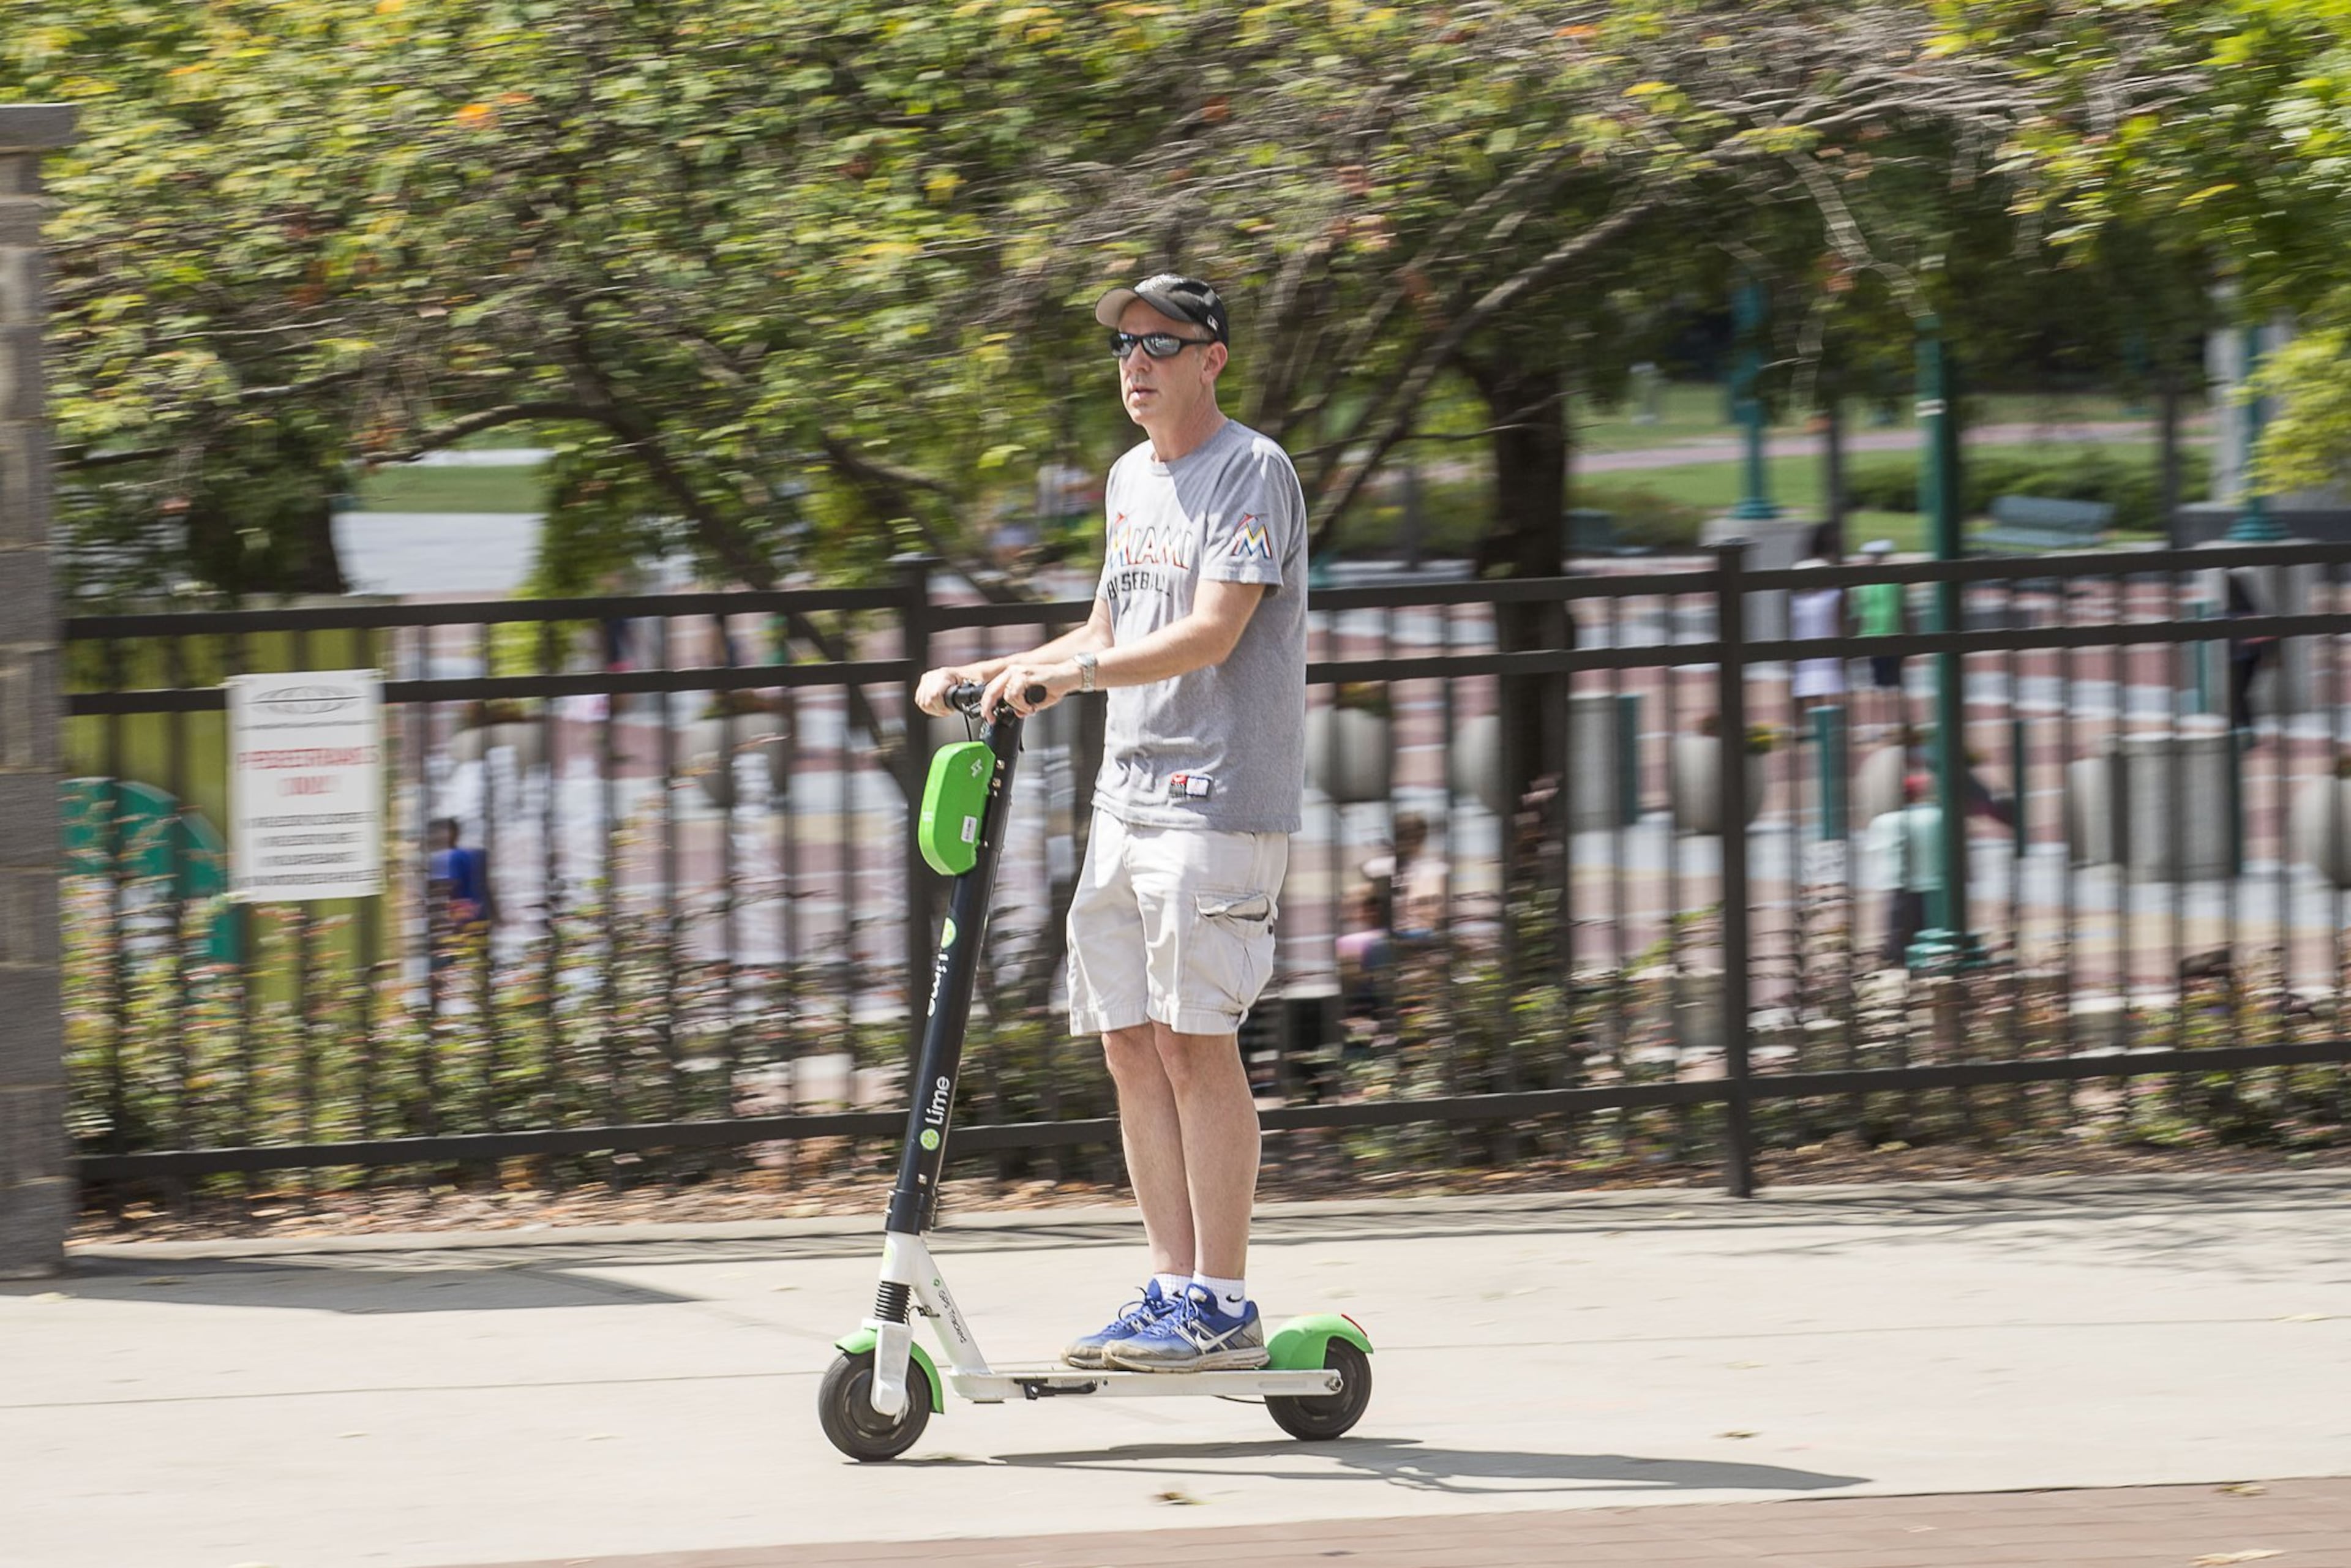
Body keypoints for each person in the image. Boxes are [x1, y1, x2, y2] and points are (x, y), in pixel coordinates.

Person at [913, 274, 1307, 1373]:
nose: (1135, 363)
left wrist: (1072, 677)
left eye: (1160, 344)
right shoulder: (1133, 478)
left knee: (1196, 1043)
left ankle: (1222, 1301)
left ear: (1211, 358)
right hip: (1126, 800)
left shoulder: (1252, 470)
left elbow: (1211, 634)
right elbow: (1108, 621)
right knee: (1131, 1044)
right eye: (1125, 346)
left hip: (1216, 802)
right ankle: (1172, 1286)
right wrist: (998, 670)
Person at [1863, 774, 1940, 967]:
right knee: (1928, 920)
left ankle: (1897, 955)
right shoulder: (1935, 815)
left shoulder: (1884, 821)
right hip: (1932, 880)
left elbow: (1873, 851)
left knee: (1898, 922)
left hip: (1897, 881)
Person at [1789, 525, 1848, 717]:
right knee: (1831, 695)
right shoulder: (1832, 578)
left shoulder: (1799, 570)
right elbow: (1842, 619)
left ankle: (1807, 733)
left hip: (1804, 645)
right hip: (1828, 646)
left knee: (1808, 692)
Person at [1852, 539, 1908, 722]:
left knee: (1876, 684)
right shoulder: (1895, 581)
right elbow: (1903, 609)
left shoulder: (1865, 583)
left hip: (1872, 635)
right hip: (1893, 633)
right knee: (1894, 684)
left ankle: (1877, 723)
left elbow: (1858, 612)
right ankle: (1895, 721)